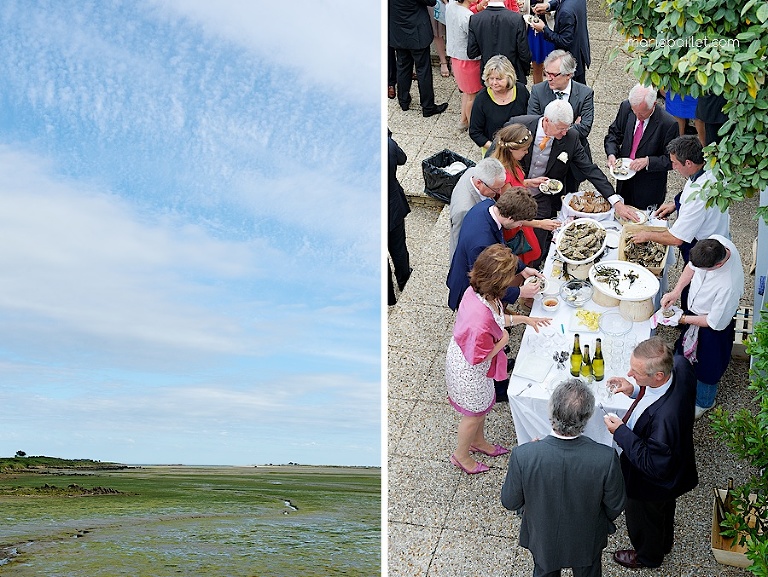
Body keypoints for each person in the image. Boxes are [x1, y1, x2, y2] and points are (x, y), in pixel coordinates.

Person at [502, 378, 626, 576]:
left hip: (543, 536)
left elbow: (510, 501)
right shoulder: (606, 458)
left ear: (551, 411)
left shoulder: (523, 455)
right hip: (587, 535)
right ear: (587, 417)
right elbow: (616, 504)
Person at [447, 244, 551, 474]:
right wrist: (502, 342)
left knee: (482, 410)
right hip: (469, 370)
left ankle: (479, 442)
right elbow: (478, 357)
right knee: (472, 416)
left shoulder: (476, 292)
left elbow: (497, 319)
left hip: (467, 357)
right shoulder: (480, 320)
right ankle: (461, 456)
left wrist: (525, 320)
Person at [496, 100, 639, 265]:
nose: (565, 133)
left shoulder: (571, 138)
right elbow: (495, 160)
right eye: (561, 128)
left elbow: (590, 169)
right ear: (547, 120)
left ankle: (535, 267)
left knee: (536, 244)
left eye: (567, 128)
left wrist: (615, 201)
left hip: (542, 198)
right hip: (511, 194)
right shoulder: (518, 125)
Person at [603, 337, 698, 569]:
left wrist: (621, 432)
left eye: (636, 373)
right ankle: (663, 543)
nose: (629, 373)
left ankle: (648, 557)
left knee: (644, 519)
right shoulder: (680, 365)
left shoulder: (664, 420)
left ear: (658, 376)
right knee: (663, 512)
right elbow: (652, 394)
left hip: (650, 484)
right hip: (677, 466)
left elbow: (650, 463)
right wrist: (634, 389)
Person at [660, 236, 744, 419]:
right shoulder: (714, 243)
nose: (696, 269)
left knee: (708, 366)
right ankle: (683, 375)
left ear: (719, 265)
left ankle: (705, 402)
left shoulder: (728, 287)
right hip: (695, 311)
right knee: (684, 349)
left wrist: (682, 319)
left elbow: (714, 322)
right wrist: (676, 291)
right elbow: (691, 267)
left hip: (713, 329)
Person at [630, 135, 730, 265]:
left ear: (688, 163)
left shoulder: (697, 197)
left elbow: (677, 238)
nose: (674, 167)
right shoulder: (710, 164)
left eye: (675, 163)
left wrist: (647, 235)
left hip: (705, 248)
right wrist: (675, 205)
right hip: (718, 229)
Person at [447, 186, 542, 311]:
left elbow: (500, 246)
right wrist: (520, 292)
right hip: (469, 287)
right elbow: (486, 286)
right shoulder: (482, 244)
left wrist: (522, 268)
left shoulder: (487, 205)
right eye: (520, 222)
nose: (520, 225)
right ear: (509, 218)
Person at [490, 124, 561, 265]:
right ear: (511, 149)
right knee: (522, 259)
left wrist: (528, 182)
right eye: (524, 149)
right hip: (516, 224)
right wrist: (540, 223)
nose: (527, 152)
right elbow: (511, 213)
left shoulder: (509, 162)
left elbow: (515, 182)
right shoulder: (504, 177)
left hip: (521, 218)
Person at [527, 50, 595, 192]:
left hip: (571, 159)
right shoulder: (538, 91)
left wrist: (558, 128)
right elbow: (534, 121)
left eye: (554, 75)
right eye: (547, 73)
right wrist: (572, 125)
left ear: (568, 75)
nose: (549, 78)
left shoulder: (585, 94)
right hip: (546, 157)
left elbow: (584, 128)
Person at [604, 84, 678, 210]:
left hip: (648, 187)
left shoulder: (668, 124)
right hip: (624, 181)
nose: (637, 116)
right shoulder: (626, 107)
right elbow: (613, 134)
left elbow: (672, 160)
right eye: (634, 111)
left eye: (642, 114)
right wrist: (611, 154)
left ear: (654, 104)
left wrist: (648, 161)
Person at [389, 0, 449, 117]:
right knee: (423, 70)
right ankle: (428, 107)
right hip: (417, 32)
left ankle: (404, 101)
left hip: (398, 31)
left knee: (402, 66)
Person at [469, 55, 530, 155]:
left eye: (498, 79)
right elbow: (475, 132)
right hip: (494, 152)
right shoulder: (482, 98)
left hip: (520, 150)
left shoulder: (521, 91)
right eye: (491, 78)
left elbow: (529, 118)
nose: (494, 83)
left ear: (509, 77)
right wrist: (497, 147)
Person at [449, 157, 507, 261]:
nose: (499, 192)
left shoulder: (473, 172)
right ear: (479, 183)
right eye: (495, 189)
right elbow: (460, 241)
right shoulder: (465, 210)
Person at [467, 0, 531, 84]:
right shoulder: (516, 19)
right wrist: (525, 70)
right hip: (511, 73)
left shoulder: (475, 19)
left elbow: (472, 53)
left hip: (489, 74)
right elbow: (524, 52)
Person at [530, 0, 591, 84]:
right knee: (580, 87)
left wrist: (544, 29)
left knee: (573, 90)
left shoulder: (565, 12)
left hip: (570, 57)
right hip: (580, 49)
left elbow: (564, 41)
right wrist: (548, 6)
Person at [445, 0, 483, 130]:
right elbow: (475, 39)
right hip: (469, 61)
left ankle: (463, 121)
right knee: (472, 95)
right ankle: (474, 127)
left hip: (455, 56)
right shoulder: (467, 17)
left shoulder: (450, 6)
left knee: (467, 92)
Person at [388, 131, 412, 305]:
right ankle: (404, 280)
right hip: (393, 207)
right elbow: (402, 159)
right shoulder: (387, 145)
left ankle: (388, 297)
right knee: (398, 247)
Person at [429, 0, 450, 78]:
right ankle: (443, 61)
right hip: (436, 3)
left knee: (454, 31)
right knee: (437, 31)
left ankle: (453, 60)